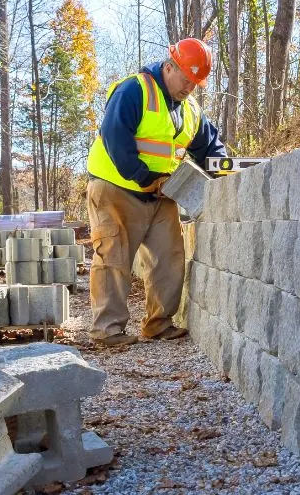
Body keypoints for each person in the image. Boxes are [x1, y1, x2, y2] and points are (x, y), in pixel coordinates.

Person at [85, 38, 227, 346]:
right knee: (114, 258)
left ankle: (159, 323)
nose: (189, 87)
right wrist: (142, 176)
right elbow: (115, 137)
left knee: (170, 257)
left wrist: (231, 173)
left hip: (161, 192)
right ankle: (108, 331)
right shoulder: (134, 90)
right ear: (169, 66)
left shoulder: (190, 110)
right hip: (116, 188)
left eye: (195, 83)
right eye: (185, 80)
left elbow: (209, 148)